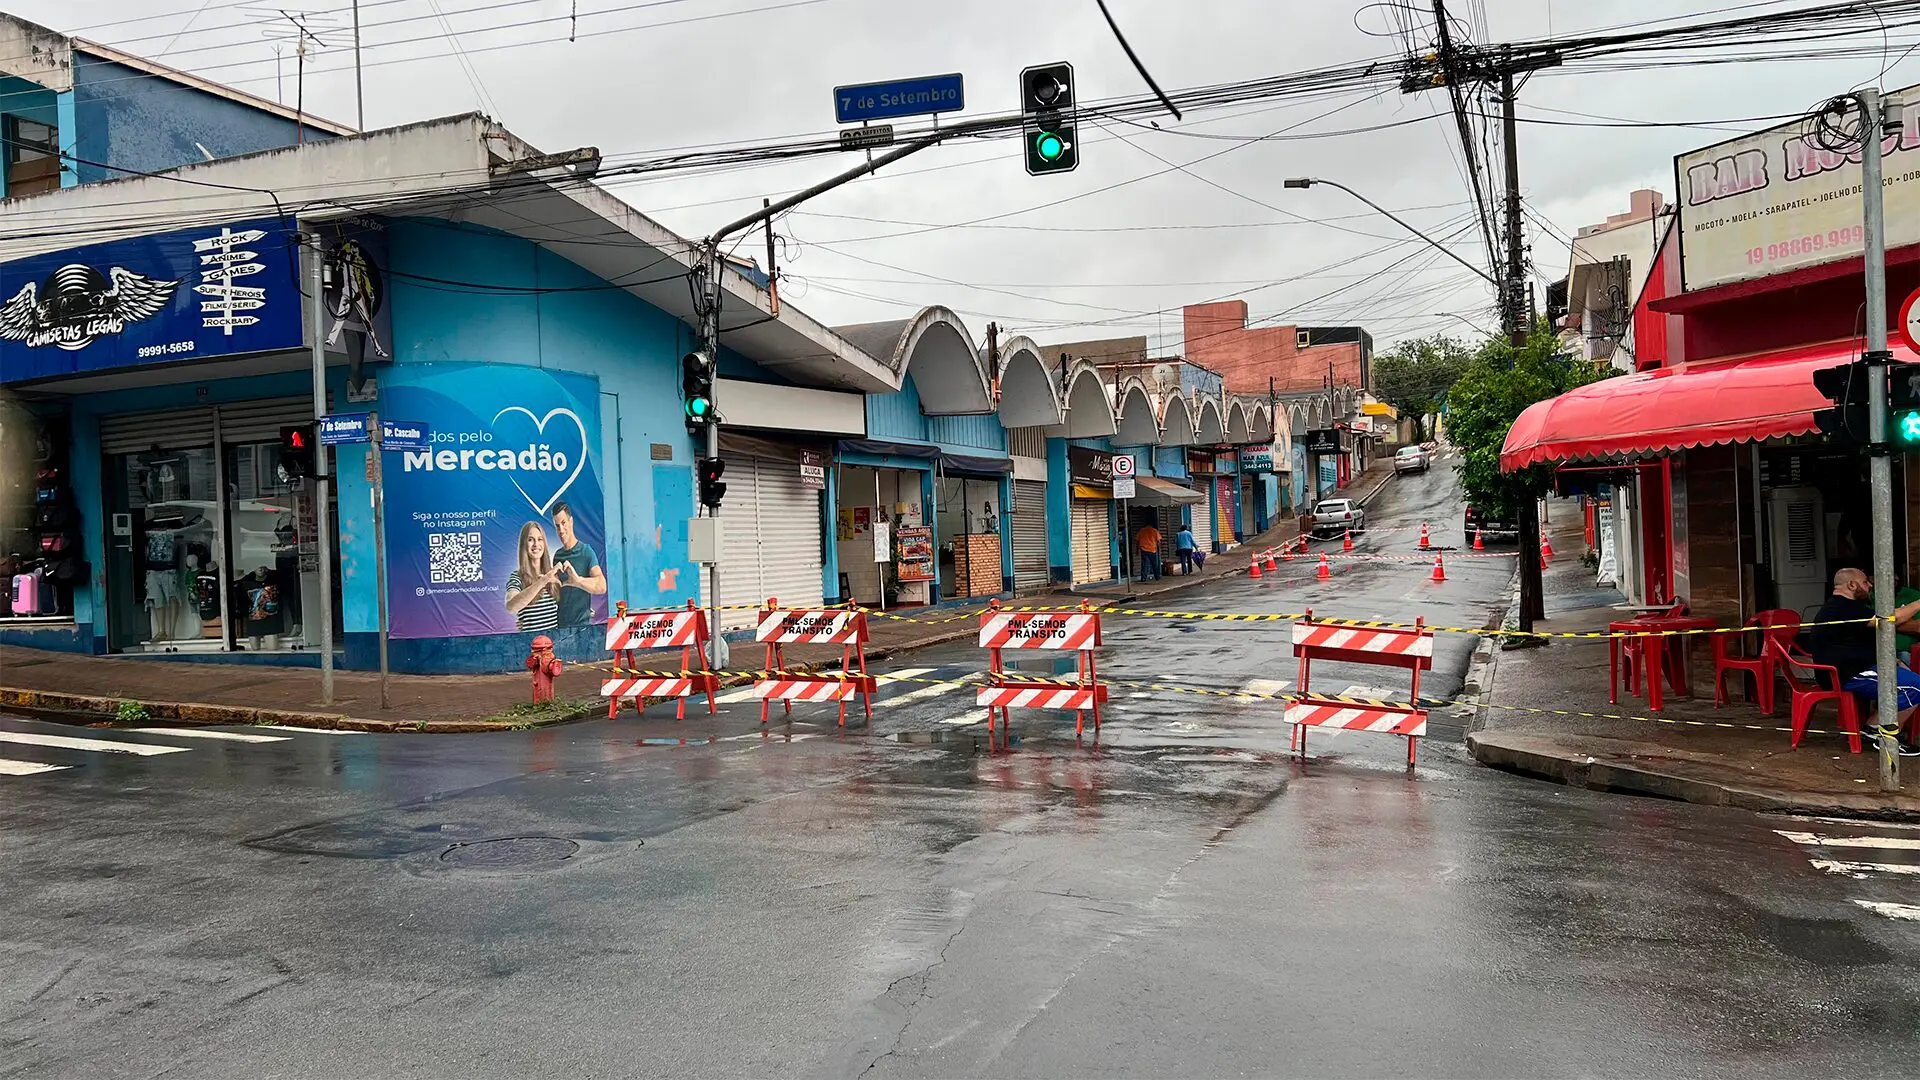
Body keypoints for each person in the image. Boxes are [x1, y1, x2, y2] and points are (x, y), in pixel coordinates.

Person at [1807, 567, 1920, 753]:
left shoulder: (1848, 607)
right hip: (1848, 673)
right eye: (1866, 583)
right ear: (1852, 585)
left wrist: (1893, 661)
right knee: (1915, 686)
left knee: (1910, 678)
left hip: (1858, 667)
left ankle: (1873, 729)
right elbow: (1888, 620)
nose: (1870, 587)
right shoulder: (1841, 607)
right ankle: (1884, 735)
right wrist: (1917, 605)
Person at [549, 501, 606, 627]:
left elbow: (602, 586)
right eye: (557, 526)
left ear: (571, 521)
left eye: (563, 523)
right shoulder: (557, 556)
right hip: (560, 627)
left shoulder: (586, 552)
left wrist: (578, 581)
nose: (561, 530)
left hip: (582, 627)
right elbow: (557, 595)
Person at [505, 521, 561, 632]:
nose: (536, 544)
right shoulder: (517, 577)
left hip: (553, 643)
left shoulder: (553, 574)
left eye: (540, 539)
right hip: (530, 644)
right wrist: (542, 581)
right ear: (524, 544)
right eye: (530, 540)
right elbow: (511, 606)